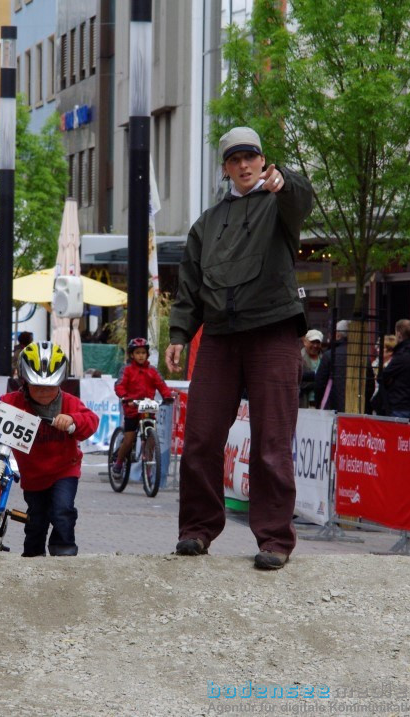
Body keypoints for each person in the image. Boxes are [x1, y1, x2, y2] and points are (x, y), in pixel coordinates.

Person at [165, 126, 314, 570]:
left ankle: (274, 539)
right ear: (226, 167)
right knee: (200, 437)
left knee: (272, 442)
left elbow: (302, 198)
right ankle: (196, 529)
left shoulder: (279, 204)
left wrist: (286, 179)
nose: (245, 165)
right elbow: (188, 287)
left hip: (273, 331)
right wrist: (178, 335)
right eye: (235, 159)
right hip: (220, 336)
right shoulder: (206, 224)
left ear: (262, 160)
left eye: (252, 157)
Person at [0, 342, 99, 556]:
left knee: (63, 512)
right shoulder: (14, 402)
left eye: (50, 386)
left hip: (64, 471)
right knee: (36, 520)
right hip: (33, 476)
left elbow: (91, 421)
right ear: (24, 382)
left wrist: (72, 420)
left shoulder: (70, 403)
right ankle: (32, 558)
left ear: (60, 382)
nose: (44, 392)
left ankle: (64, 552)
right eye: (37, 387)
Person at [111, 337, 174, 478]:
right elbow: (119, 385)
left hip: (147, 408)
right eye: (137, 353)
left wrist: (167, 396)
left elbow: (162, 386)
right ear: (132, 355)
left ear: (147, 355)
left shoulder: (153, 371)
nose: (141, 355)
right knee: (129, 439)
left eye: (143, 353)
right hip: (132, 409)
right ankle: (119, 463)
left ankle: (149, 466)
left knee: (152, 438)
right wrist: (125, 397)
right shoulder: (127, 370)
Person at [375, 319, 410, 419]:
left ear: (399, 334)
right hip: (407, 402)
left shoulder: (402, 355)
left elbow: (383, 376)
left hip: (397, 404)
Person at [299, 329, 329, 408]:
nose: (315, 345)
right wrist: (320, 382)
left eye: (318, 342)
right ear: (305, 342)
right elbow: (299, 382)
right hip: (304, 403)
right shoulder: (299, 358)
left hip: (320, 403)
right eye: (312, 342)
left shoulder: (325, 358)